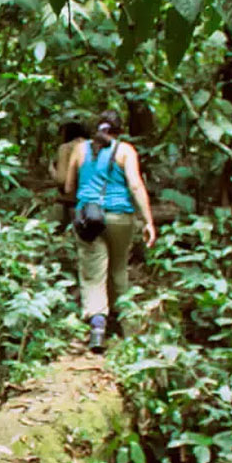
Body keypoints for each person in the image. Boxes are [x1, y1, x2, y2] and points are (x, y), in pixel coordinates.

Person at [64, 110, 156, 352]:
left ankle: (97, 329)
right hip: (120, 216)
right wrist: (148, 221)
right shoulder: (125, 150)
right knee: (118, 269)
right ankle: (127, 328)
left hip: (89, 218)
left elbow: (68, 187)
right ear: (119, 131)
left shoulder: (80, 149)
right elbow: (135, 185)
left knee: (93, 274)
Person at [51, 120, 89, 230]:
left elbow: (61, 179)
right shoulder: (94, 147)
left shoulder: (66, 148)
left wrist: (52, 171)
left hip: (70, 201)